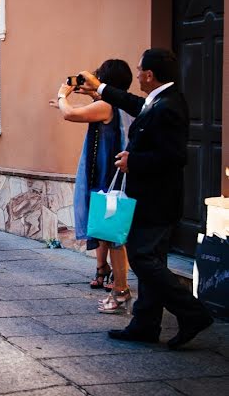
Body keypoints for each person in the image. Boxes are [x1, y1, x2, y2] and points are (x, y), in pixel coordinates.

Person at [78, 48, 213, 348]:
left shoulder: (168, 106)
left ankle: (192, 313)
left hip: (156, 201)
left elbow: (174, 156)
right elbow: (136, 104)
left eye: (139, 70)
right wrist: (98, 88)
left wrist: (133, 161)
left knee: (142, 258)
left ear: (149, 75)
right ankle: (145, 324)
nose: (137, 75)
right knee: (152, 259)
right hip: (154, 199)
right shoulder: (162, 99)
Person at [51, 59, 134, 314]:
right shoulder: (124, 103)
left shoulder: (106, 106)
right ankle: (112, 279)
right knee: (110, 234)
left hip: (106, 177)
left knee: (112, 236)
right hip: (115, 175)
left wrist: (63, 96)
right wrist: (86, 90)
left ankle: (121, 290)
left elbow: (70, 114)